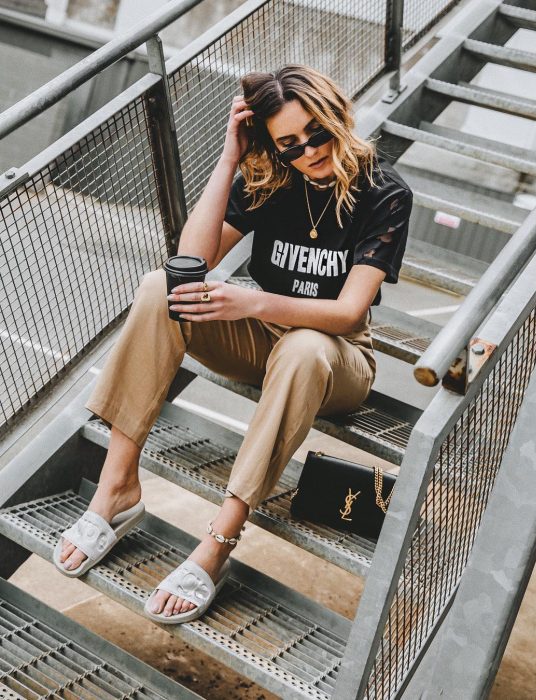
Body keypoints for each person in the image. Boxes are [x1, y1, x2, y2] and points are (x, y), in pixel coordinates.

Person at [53, 64, 413, 623]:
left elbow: (346, 313)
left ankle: (218, 541)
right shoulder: (273, 177)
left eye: (316, 132)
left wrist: (254, 302)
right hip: (264, 338)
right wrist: (230, 159)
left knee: (302, 349)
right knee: (159, 287)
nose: (309, 151)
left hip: (336, 357)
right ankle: (117, 486)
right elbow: (192, 266)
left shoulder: (383, 192)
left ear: (337, 116)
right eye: (289, 144)